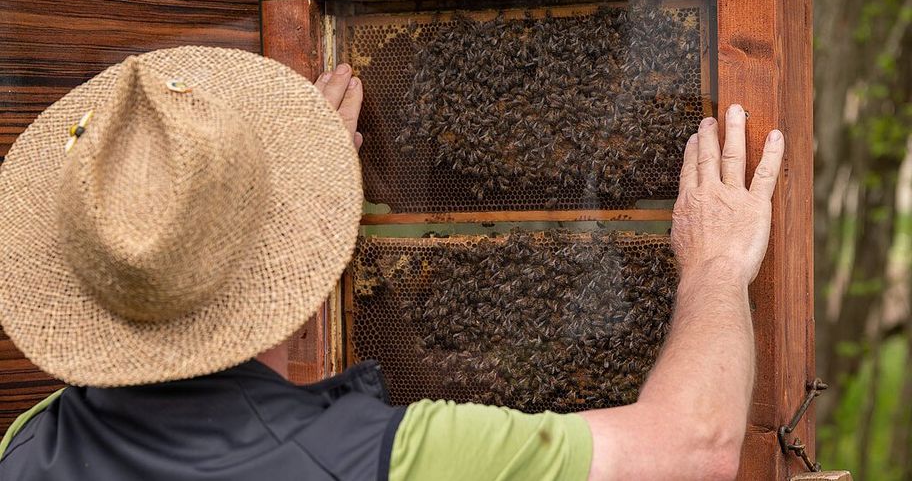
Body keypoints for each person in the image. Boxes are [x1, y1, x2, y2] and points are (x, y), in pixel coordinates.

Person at [0, 48, 784, 481]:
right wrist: (715, 266)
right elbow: (694, 445)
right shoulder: (395, 459)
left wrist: (260, 204)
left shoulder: (30, 449)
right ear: (300, 265)